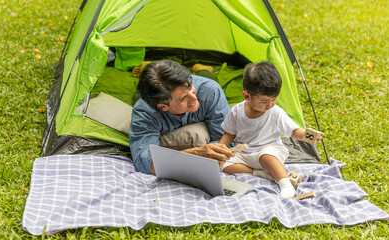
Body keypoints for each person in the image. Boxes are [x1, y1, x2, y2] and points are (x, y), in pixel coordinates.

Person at [218, 61, 324, 198]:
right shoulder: (237, 111)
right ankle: (260, 173)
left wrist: (305, 135)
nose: (270, 105)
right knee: (223, 165)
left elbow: (293, 131)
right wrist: (220, 149)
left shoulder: (276, 112)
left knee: (266, 156)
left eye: (274, 99)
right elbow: (229, 133)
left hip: (270, 150)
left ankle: (286, 185)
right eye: (264, 102)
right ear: (247, 96)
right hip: (245, 154)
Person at [129, 60, 234, 175]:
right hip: (153, 101)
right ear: (163, 106)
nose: (194, 98)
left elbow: (225, 140)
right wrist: (196, 154)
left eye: (190, 87)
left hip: (205, 84)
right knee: (140, 95)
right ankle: (150, 70)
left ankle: (202, 68)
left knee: (208, 78)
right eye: (183, 98)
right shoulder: (145, 112)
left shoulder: (210, 91)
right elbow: (144, 163)